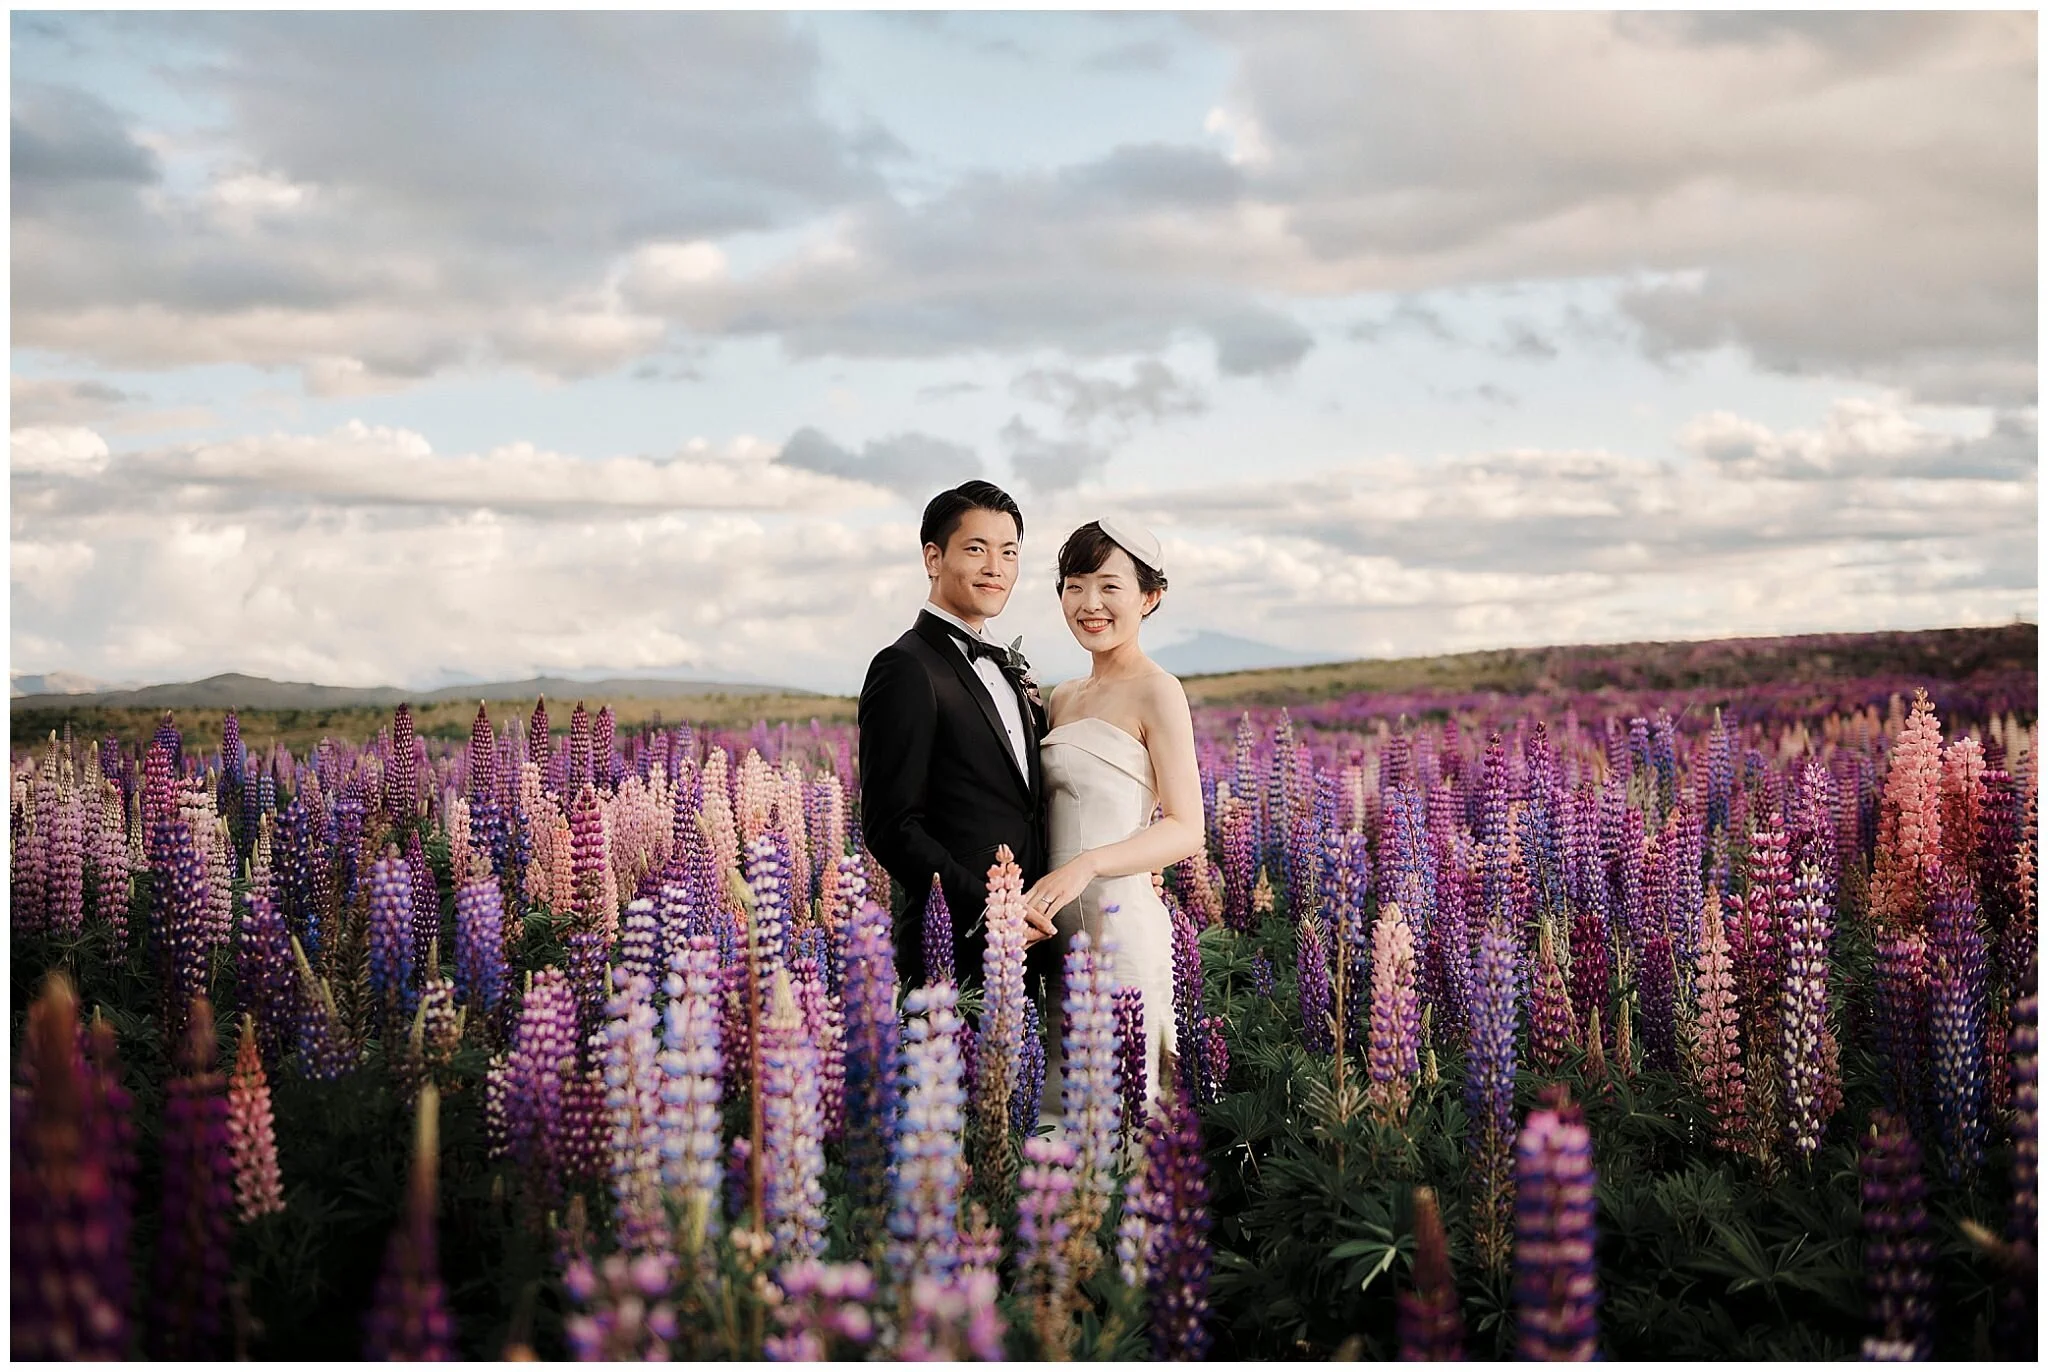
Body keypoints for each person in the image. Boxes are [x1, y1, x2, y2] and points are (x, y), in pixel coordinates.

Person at [1024, 517, 1205, 1121]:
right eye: (1074, 586)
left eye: (1110, 587)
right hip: (1048, 933)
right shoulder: (1062, 696)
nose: (1089, 604)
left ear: (1149, 598)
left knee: (1124, 1112)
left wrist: (1091, 864)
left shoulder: (1159, 690)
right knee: (1052, 1107)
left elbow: (1186, 827)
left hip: (1120, 921)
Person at [857, 480, 1061, 996]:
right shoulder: (905, 666)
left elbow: (1029, 806)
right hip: (956, 950)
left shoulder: (1011, 665)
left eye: (1009, 552)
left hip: (1042, 944)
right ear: (933, 557)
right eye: (976, 549)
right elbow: (891, 827)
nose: (996, 567)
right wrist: (989, 907)